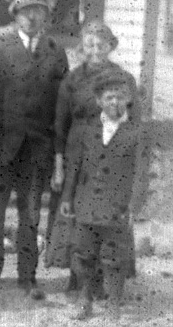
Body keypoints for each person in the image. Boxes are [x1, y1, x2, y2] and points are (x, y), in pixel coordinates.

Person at [0, 0, 68, 299]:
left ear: (46, 17)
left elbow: (60, 105)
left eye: (39, 12)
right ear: (16, 16)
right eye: (26, 11)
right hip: (2, 146)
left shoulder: (56, 52)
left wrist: (57, 150)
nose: (32, 17)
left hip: (37, 149)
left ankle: (27, 277)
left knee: (31, 215)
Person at [46, 21, 137, 295]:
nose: (95, 50)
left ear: (110, 46)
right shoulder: (72, 79)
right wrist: (59, 164)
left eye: (100, 44)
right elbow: (60, 125)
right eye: (89, 45)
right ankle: (77, 277)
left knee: (106, 212)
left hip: (110, 149)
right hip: (77, 148)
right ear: (82, 48)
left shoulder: (123, 78)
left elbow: (134, 122)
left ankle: (103, 279)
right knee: (74, 209)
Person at [61, 73, 146, 321]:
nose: (114, 103)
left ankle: (114, 304)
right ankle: (85, 299)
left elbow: (141, 173)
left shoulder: (135, 132)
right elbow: (74, 167)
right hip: (87, 202)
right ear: (99, 101)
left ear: (128, 100)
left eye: (120, 98)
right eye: (109, 98)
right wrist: (67, 199)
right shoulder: (86, 131)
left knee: (114, 257)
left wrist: (134, 205)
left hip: (117, 205)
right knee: (83, 254)